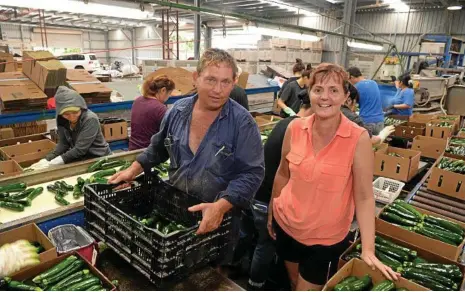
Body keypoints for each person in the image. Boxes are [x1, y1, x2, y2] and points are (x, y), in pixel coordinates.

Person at [108, 49, 264, 242]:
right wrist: (133, 170)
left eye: (225, 82)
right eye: (211, 80)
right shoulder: (177, 111)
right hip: (177, 208)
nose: (218, 90)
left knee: (213, 268)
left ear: (234, 83)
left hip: (218, 217)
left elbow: (252, 173)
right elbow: (158, 147)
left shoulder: (243, 124)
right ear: (196, 78)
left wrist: (221, 206)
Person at [268, 63, 399, 291]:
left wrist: (368, 248)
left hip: (324, 238)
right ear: (309, 93)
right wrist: (272, 211)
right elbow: (282, 173)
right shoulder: (295, 128)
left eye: (334, 90)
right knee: (292, 281)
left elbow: (365, 197)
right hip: (286, 224)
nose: (324, 97)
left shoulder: (358, 139)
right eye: (318, 89)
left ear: (346, 97)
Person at [236, 92, 313, 291]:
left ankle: (236, 268)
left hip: (255, 192)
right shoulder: (298, 130)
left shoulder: (285, 123)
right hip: (268, 198)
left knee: (248, 235)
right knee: (265, 245)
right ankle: (255, 285)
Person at [30, 86, 111, 170]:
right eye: (66, 114)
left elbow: (80, 149)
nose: (72, 117)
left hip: (99, 159)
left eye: (75, 112)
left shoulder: (90, 119)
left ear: (81, 107)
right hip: (81, 158)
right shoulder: (61, 119)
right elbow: (63, 144)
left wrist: (55, 162)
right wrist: (47, 159)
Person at [129, 75, 175, 150]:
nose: (168, 97)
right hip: (149, 153)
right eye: (169, 93)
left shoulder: (138, 100)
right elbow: (172, 133)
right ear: (163, 90)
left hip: (133, 149)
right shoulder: (160, 108)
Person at [347, 67, 385, 135]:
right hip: (380, 122)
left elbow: (351, 108)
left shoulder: (355, 87)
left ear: (352, 77)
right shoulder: (374, 83)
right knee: (376, 144)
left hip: (367, 123)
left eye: (348, 80)